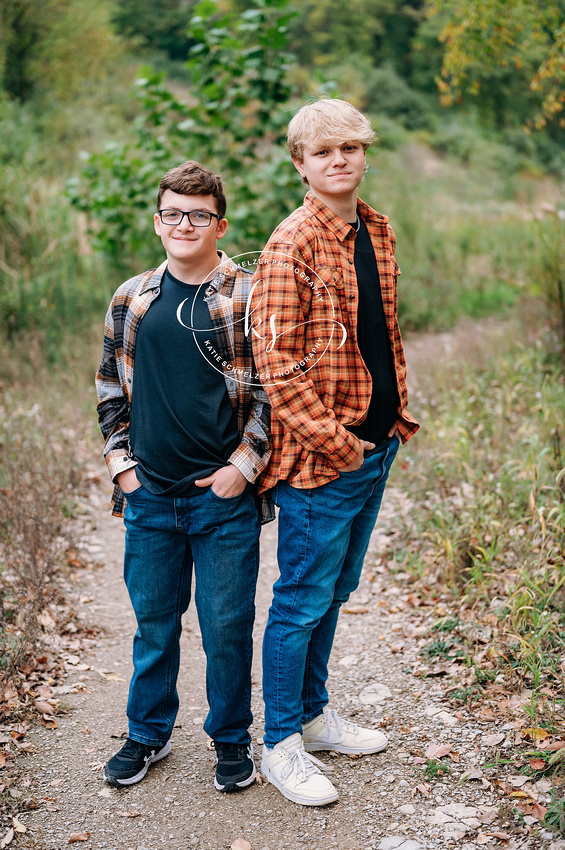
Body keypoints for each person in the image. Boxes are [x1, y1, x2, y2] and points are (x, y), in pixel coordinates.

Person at [249, 98, 419, 806]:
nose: (339, 160)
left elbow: (378, 333)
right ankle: (280, 743)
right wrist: (338, 443)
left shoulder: (374, 228)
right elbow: (274, 364)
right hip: (327, 458)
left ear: (364, 152)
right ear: (300, 164)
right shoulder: (290, 245)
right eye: (323, 152)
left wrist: (383, 428)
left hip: (378, 443)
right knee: (300, 599)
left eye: (350, 147)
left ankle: (314, 717)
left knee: (335, 592)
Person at [96, 160, 272, 793]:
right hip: (149, 500)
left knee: (227, 628)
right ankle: (146, 734)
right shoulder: (131, 296)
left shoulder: (250, 297)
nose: (184, 224)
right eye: (173, 213)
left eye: (199, 215)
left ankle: (230, 740)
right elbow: (110, 388)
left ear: (220, 225)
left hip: (222, 501)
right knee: (155, 626)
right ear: (157, 222)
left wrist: (241, 469)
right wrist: (124, 470)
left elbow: (272, 396)